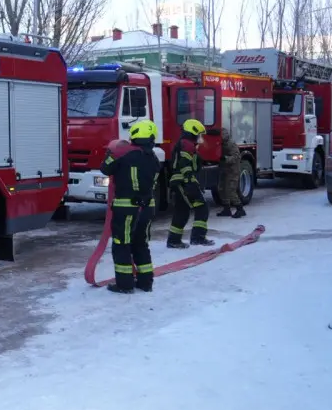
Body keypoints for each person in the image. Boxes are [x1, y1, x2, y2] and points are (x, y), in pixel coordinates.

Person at [100, 119, 160, 294]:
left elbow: (105, 168)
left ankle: (125, 284)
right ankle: (145, 282)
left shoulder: (124, 154)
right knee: (141, 243)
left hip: (126, 209)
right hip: (147, 208)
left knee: (121, 244)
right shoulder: (154, 159)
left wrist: (111, 153)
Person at [167, 119, 215, 249]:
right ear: (193, 132)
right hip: (184, 181)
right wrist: (189, 181)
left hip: (179, 182)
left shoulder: (184, 143)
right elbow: (184, 164)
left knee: (182, 211)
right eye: (199, 134)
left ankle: (174, 240)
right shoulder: (187, 144)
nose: (200, 138)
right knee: (202, 207)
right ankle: (198, 238)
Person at [217, 127, 246, 218]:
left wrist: (225, 158)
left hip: (233, 170)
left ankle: (240, 209)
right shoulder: (221, 144)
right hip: (224, 170)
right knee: (222, 189)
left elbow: (236, 157)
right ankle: (226, 209)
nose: (222, 137)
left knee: (231, 190)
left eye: (223, 135)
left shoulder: (231, 144)